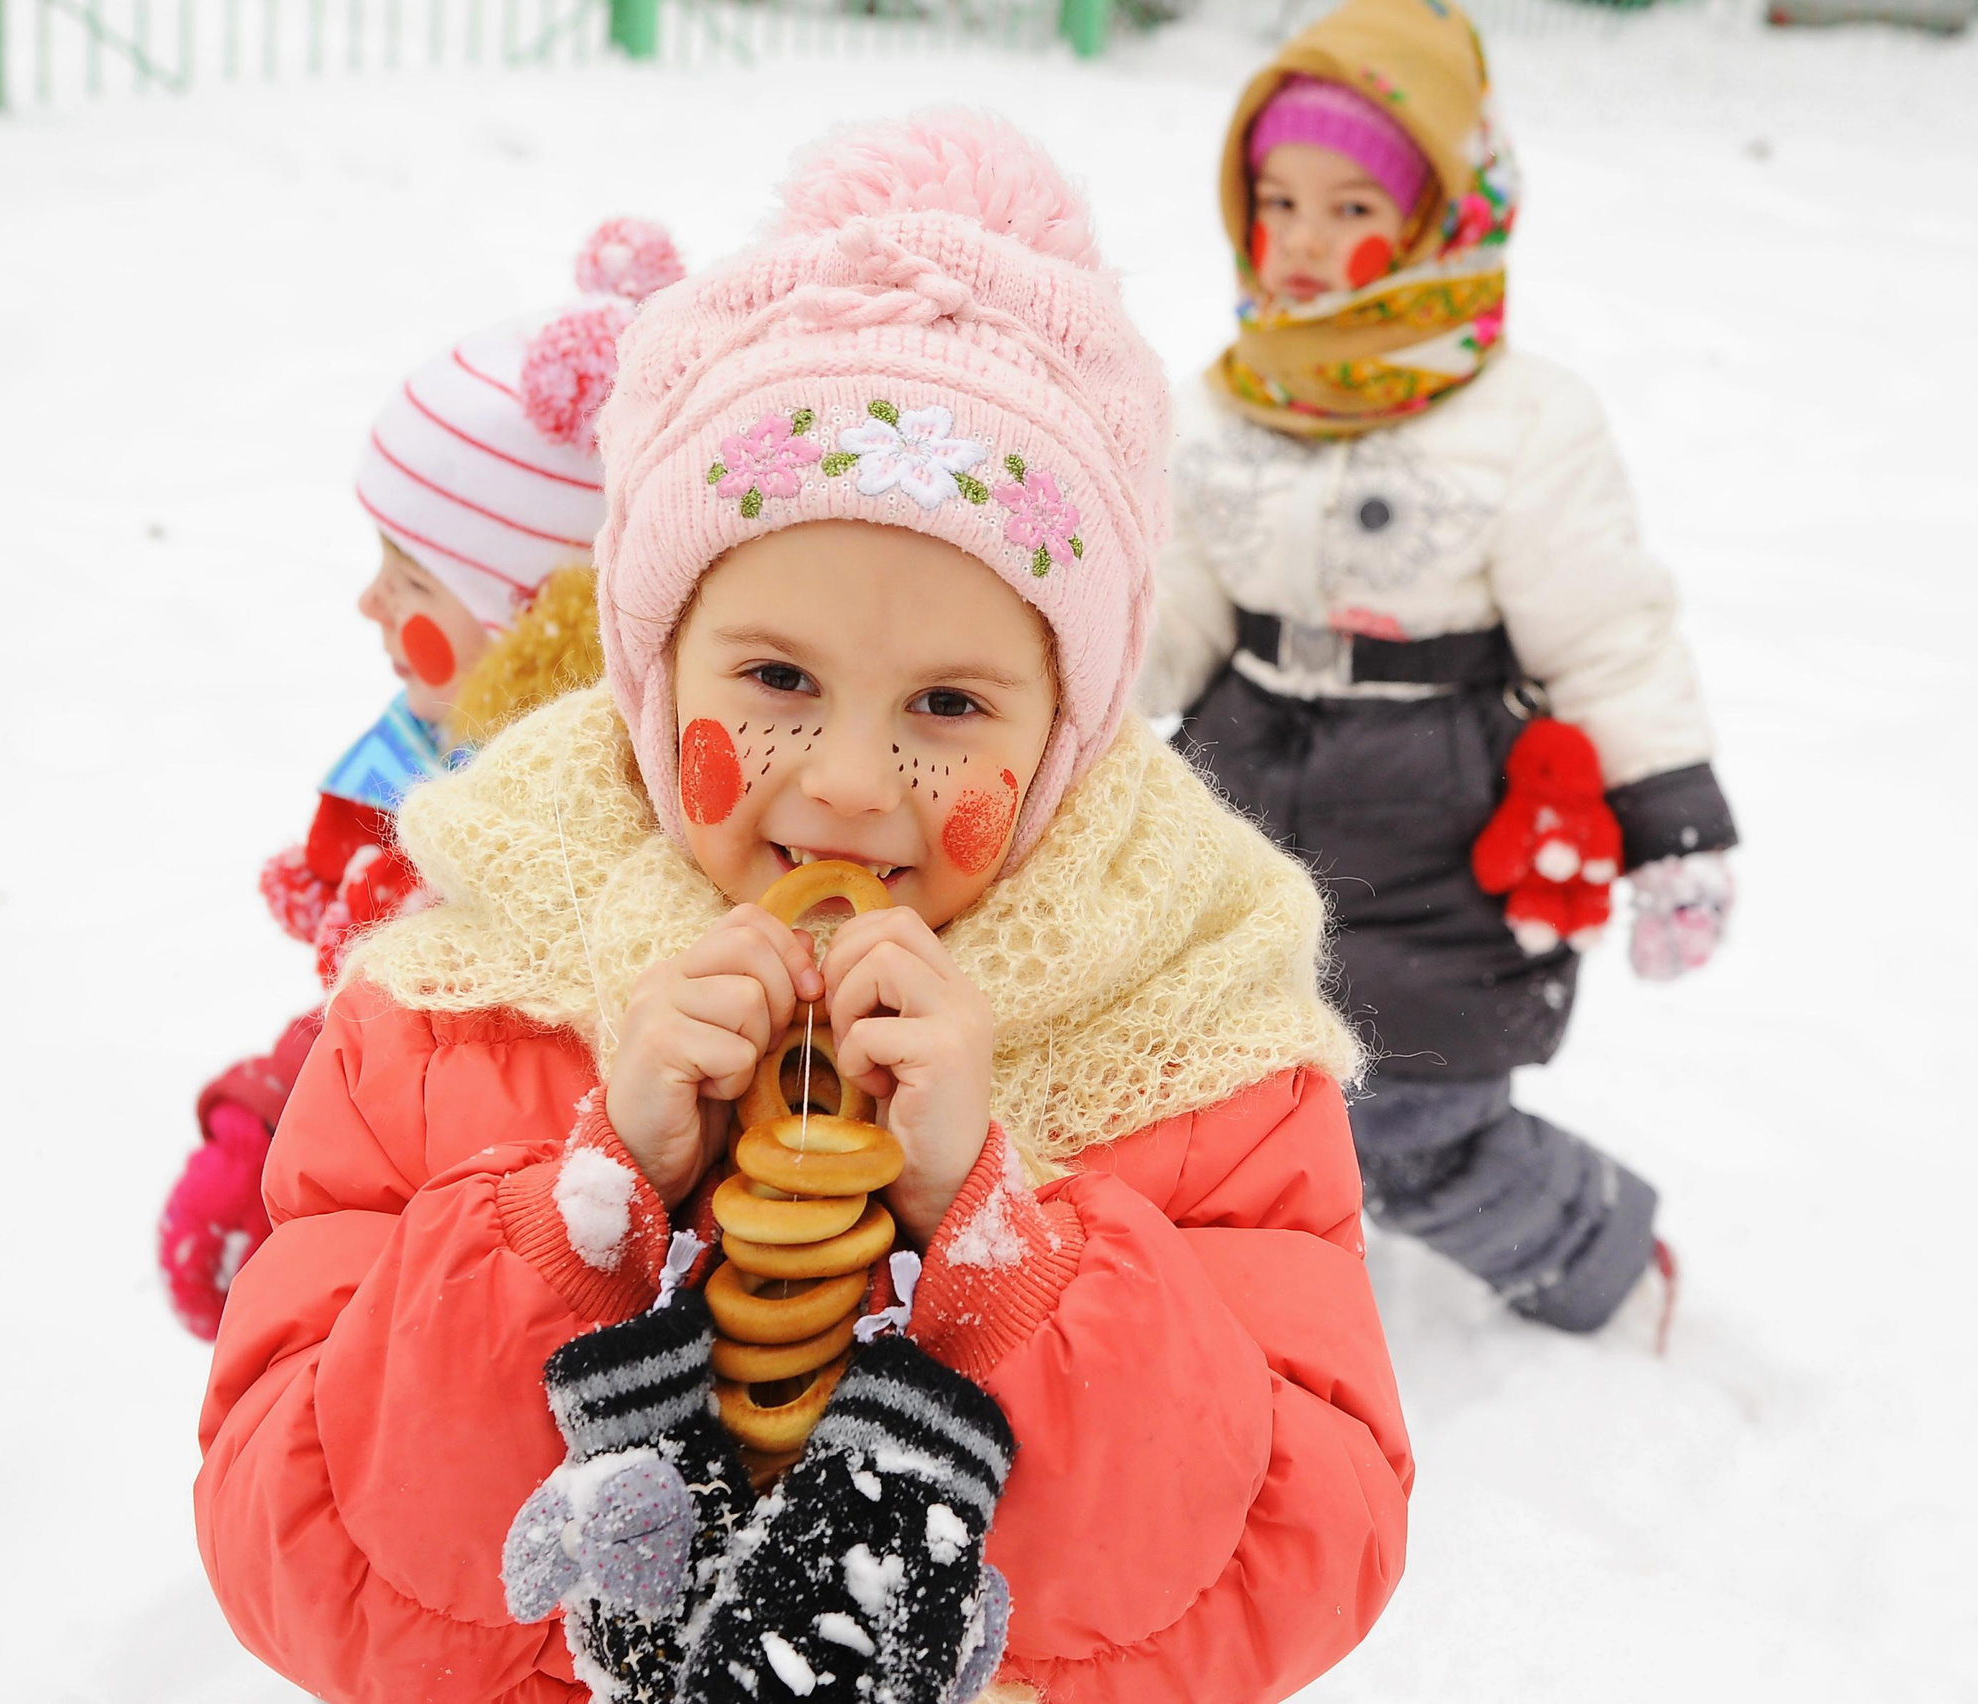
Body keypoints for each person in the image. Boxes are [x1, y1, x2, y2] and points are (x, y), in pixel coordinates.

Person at [195, 113, 1411, 1704]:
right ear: (650, 670)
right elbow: (298, 1550)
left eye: (953, 705)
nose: (848, 782)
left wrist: (995, 1244)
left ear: (1068, 731)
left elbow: (1291, 1562)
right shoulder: (458, 999)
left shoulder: (1196, 1036)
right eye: (776, 680)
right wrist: (585, 1215)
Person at [1142, 0, 1741, 1339]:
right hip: (1235, 793)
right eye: (1276, 202)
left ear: (1443, 218)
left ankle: (1600, 1262)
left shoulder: (1526, 420)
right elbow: (1168, 617)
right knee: (1208, 1080)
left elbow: (1606, 628)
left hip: (1437, 811)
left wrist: (1672, 824)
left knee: (1415, 1119)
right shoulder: (1214, 406)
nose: (1300, 244)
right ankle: (1239, 1297)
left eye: (1350, 206)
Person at [154, 219, 674, 1341]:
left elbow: (425, 1052)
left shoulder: (549, 855)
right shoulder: (439, 767)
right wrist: (262, 1123)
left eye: (409, 580)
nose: (368, 609)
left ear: (539, 618)